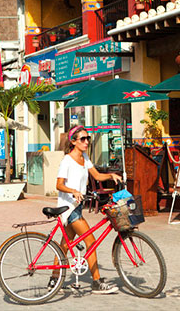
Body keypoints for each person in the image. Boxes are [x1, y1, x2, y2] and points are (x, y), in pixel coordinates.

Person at [51, 125, 122, 294]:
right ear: (73, 141)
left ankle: (53, 281)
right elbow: (59, 184)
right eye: (82, 139)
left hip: (78, 205)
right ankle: (96, 282)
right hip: (69, 207)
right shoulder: (67, 160)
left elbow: (96, 175)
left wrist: (111, 176)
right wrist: (74, 191)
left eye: (87, 138)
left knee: (63, 246)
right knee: (90, 241)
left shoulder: (84, 157)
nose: (86, 141)